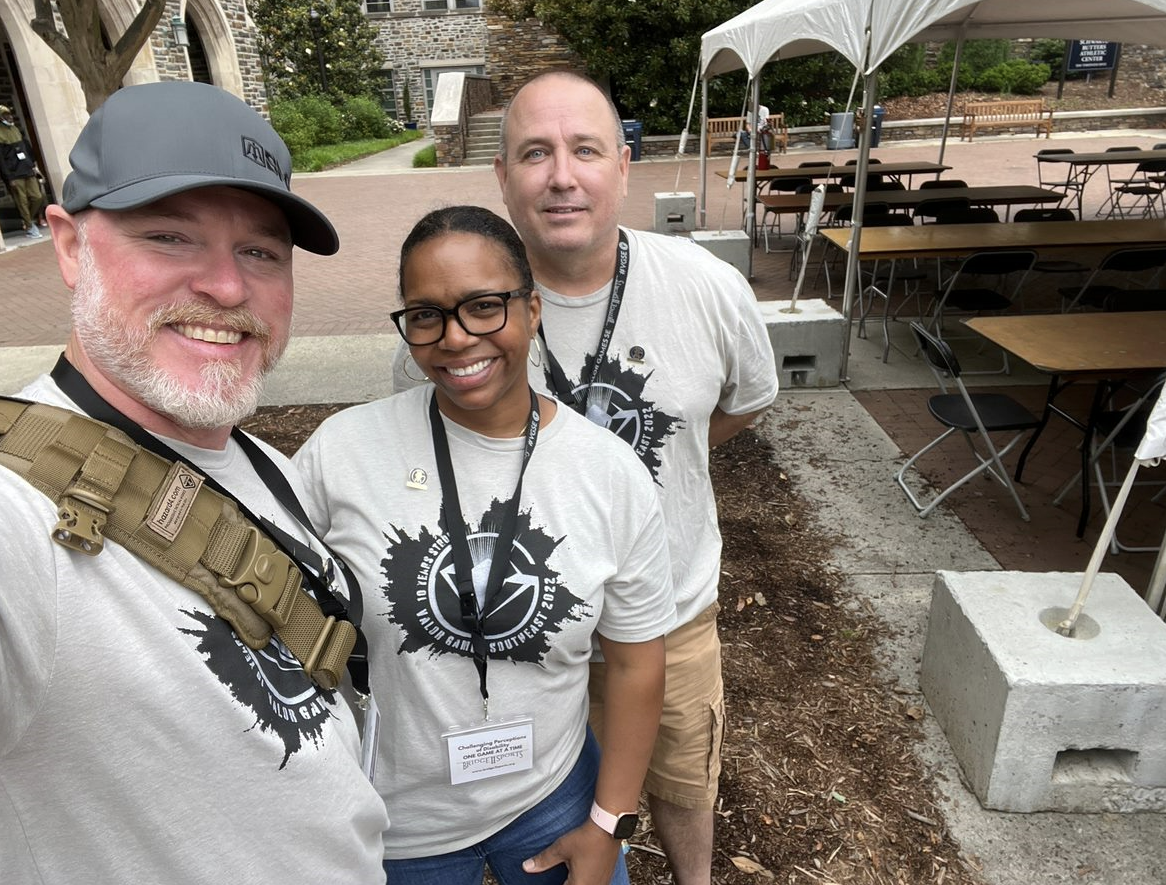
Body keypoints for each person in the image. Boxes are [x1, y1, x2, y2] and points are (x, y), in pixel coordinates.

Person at [0, 81, 388, 883]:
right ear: (70, 247)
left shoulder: (266, 467)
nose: (227, 286)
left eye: (261, 251)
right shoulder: (17, 516)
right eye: (170, 236)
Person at [295, 205, 674, 885]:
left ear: (532, 310)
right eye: (426, 314)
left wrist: (608, 824)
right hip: (400, 819)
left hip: (555, 797)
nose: (455, 337)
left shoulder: (609, 474)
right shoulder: (342, 454)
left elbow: (637, 662)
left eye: (483, 306)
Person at [493, 71, 780, 885]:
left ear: (623, 164)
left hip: (674, 614)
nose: (561, 175)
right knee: (545, 805)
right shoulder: (470, 302)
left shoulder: (706, 288)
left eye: (585, 149)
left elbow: (742, 405)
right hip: (532, 628)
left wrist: (649, 471)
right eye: (535, 153)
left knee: (687, 786)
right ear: (503, 177)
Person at [0, 104, 46, 238]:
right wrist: (9, 177)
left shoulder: (15, 129)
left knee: (37, 196)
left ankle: (27, 220)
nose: (9, 117)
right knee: (22, 201)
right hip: (14, 173)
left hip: (27, 169)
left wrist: (32, 165)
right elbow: (1, 159)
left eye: (9, 114)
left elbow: (24, 150)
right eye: (5, 115)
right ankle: (30, 227)